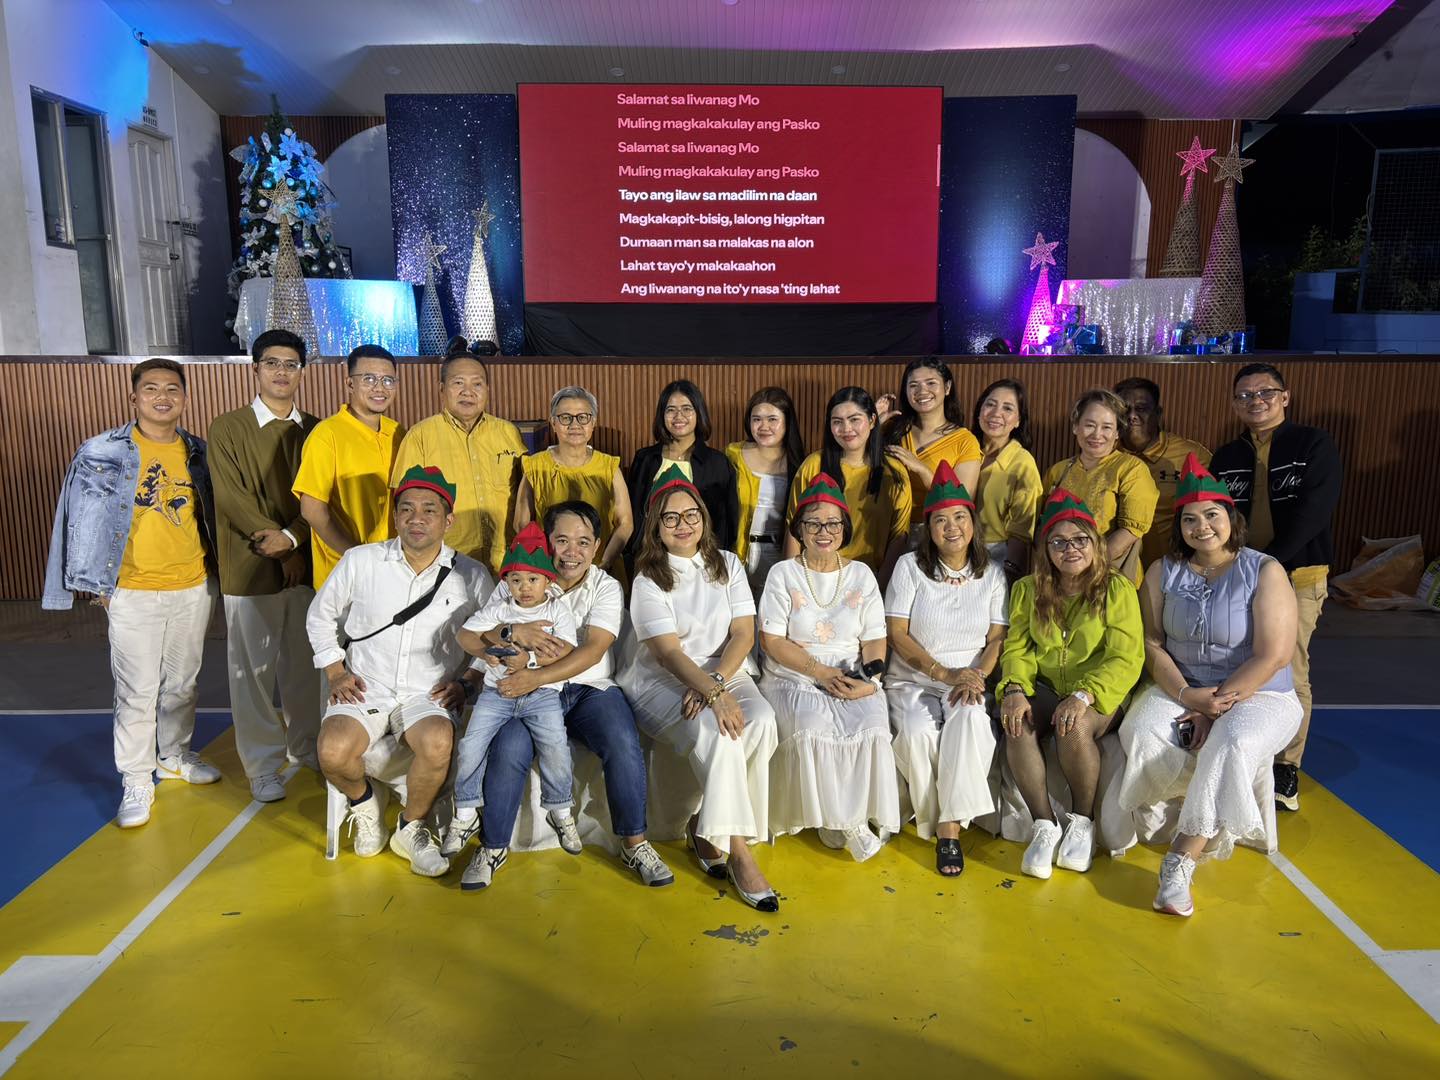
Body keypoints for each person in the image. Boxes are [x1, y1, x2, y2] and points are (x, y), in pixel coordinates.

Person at [1115, 455, 1302, 916]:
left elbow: (1274, 655)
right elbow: (1151, 643)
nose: (1202, 527)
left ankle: (1181, 858)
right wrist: (1186, 696)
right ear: (1179, 527)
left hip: (1261, 692)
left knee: (1231, 742)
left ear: (1231, 518)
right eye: (1190, 519)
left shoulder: (1264, 569)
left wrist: (1211, 707)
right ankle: (1162, 821)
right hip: (1185, 686)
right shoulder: (1162, 570)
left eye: (1212, 515)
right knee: (1142, 728)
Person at [43, 358, 220, 828]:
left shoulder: (199, 452)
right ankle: (137, 779)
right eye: (151, 388)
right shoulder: (101, 451)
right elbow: (75, 515)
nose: (163, 397)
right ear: (134, 397)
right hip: (131, 591)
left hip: (193, 586)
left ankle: (174, 755)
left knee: (183, 684)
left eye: (172, 389)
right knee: (137, 691)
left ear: (185, 398)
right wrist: (92, 584)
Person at [462, 502, 676, 888]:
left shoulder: (606, 587)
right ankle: (492, 847)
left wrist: (535, 671)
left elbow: (592, 651)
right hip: (531, 692)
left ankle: (635, 843)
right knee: (509, 746)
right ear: (547, 543)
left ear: (597, 546)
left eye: (583, 542)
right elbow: (483, 634)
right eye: (561, 541)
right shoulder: (517, 579)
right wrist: (508, 637)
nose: (571, 552)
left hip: (589, 688)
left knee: (621, 738)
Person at [307, 467, 492, 876]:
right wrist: (335, 672)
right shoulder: (361, 560)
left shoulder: (471, 574)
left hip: (428, 691)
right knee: (332, 752)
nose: (416, 518)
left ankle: (411, 827)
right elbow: (320, 616)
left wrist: (468, 682)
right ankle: (364, 804)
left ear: (448, 520)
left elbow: (494, 634)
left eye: (429, 510)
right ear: (395, 517)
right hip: (366, 686)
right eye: (406, 509)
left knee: (438, 741)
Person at [618, 467, 780, 912]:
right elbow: (668, 653)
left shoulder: (727, 563)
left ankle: (705, 827)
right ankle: (739, 851)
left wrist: (716, 685)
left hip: (723, 671)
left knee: (762, 721)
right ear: (656, 526)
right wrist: (709, 693)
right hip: (661, 680)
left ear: (704, 517)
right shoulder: (648, 577)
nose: (683, 524)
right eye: (670, 518)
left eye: (691, 514)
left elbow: (743, 634)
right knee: (718, 733)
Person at [1210, 363, 1341, 813]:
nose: (1256, 401)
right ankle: (1241, 751)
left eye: (1265, 392)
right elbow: (1217, 518)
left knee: (1289, 667)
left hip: (1297, 576)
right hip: (1237, 575)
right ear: (1234, 404)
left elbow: (1313, 512)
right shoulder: (1226, 457)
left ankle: (1286, 765)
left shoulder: (1313, 444)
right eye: (1245, 395)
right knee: (1238, 661)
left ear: (1285, 397)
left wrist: (1268, 565)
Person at [999, 489, 1144, 880]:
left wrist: (1084, 694)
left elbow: (1126, 657)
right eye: (1059, 542)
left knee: (1074, 725)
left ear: (1095, 544)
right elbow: (1018, 648)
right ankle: (1044, 824)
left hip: (1098, 691)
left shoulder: (1117, 589)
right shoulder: (1028, 590)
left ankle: (1082, 821)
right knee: (1016, 722)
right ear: (1046, 550)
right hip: (1047, 686)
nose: (1070, 549)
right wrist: (1014, 689)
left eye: (1080, 540)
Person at [208, 328, 323, 802]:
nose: (281, 372)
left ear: (302, 372)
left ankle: (307, 746)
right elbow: (231, 499)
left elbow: (321, 497)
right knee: (251, 674)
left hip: (307, 566)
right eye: (272, 363)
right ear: (256, 369)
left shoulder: (316, 429)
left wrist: (295, 540)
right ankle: (261, 765)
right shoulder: (228, 428)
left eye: (290, 364)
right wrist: (280, 544)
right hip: (250, 567)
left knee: (306, 667)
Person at [758, 473, 898, 862]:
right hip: (794, 672)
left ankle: (847, 818)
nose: (824, 532)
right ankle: (845, 823)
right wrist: (819, 672)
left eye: (833, 523)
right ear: (799, 529)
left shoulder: (861, 574)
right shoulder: (783, 573)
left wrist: (870, 681)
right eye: (814, 524)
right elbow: (772, 641)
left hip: (853, 671)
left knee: (871, 727)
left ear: (845, 528)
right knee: (812, 729)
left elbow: (875, 639)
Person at [884, 463, 1008, 876]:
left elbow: (997, 638)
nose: (951, 527)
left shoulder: (992, 574)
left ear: (972, 522)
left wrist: (977, 677)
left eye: (959, 517)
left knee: (970, 720)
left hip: (968, 679)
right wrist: (942, 673)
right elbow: (896, 633)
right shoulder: (910, 567)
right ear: (929, 528)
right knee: (917, 733)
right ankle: (932, 815)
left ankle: (948, 829)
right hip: (913, 678)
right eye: (940, 520)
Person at [449, 523, 582, 890]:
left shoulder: (557, 610)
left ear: (547, 581)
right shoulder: (500, 609)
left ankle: (560, 809)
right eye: (516, 580)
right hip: (497, 694)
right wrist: (489, 649)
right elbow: (466, 635)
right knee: (471, 745)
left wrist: (531, 663)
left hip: (541, 694)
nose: (525, 587)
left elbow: (567, 650)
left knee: (555, 745)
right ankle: (465, 812)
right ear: (506, 581)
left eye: (533, 580)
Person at [391, 336, 526, 577]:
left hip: (506, 564)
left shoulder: (508, 433)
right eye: (458, 383)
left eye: (477, 384)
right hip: (448, 566)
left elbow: (526, 495)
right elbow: (404, 506)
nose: (468, 392)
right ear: (442, 389)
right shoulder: (420, 436)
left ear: (487, 389)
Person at [293, 344, 405, 589]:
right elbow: (312, 510)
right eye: (369, 379)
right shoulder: (327, 434)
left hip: (394, 568)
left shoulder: (398, 432)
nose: (379, 388)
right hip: (344, 574)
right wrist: (356, 556)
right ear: (350, 383)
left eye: (388, 380)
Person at [785, 387, 911, 583]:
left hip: (871, 578)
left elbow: (899, 536)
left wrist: (880, 586)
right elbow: (793, 527)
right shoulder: (813, 465)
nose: (846, 429)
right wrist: (793, 581)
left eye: (854, 419)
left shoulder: (894, 471)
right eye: (837, 422)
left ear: (872, 420)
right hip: (815, 576)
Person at [1043, 388, 1158, 585]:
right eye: (1089, 425)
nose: (1097, 434)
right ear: (1075, 426)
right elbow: (1042, 528)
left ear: (1117, 433)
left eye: (1106, 427)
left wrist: (1085, 571)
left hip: (1108, 577)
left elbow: (1130, 531)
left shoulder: (1131, 469)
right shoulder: (1058, 471)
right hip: (1058, 579)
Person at [515, 386, 632, 576]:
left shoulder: (609, 467)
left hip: (602, 570)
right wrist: (544, 563)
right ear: (553, 422)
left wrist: (603, 565)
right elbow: (522, 524)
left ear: (593, 422)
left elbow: (625, 523)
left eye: (583, 417)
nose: (574, 424)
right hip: (551, 570)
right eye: (565, 417)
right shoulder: (535, 467)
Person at [626, 380, 739, 555]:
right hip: (649, 557)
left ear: (699, 413)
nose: (679, 416)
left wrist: (715, 558)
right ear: (662, 415)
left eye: (687, 409)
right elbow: (634, 513)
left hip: (701, 557)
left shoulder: (717, 463)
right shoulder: (645, 459)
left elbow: (727, 522)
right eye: (671, 410)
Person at [1114, 377, 1212, 572]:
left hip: (1177, 570)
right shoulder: (1106, 455)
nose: (1132, 416)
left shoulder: (1192, 456)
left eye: (1141, 408)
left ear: (1158, 414)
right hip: (1117, 572)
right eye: (1125, 410)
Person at [880, 359, 982, 540]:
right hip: (885, 527)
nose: (922, 391)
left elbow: (962, 502)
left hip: (934, 533)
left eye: (931, 383)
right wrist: (874, 427)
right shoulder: (892, 429)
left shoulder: (965, 441)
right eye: (914, 385)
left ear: (947, 387)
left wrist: (922, 469)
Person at [727, 387, 804, 591]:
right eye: (757, 419)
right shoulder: (733, 454)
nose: (764, 426)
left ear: (787, 422)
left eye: (772, 419)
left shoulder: (800, 464)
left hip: (781, 553)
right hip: (738, 552)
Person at [971, 378, 1044, 578]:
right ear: (979, 411)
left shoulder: (1022, 463)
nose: (996, 413)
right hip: (954, 554)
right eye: (990, 404)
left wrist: (1010, 572)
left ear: (1018, 420)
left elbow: (1022, 530)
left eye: (1008, 408)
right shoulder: (965, 451)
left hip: (996, 557)